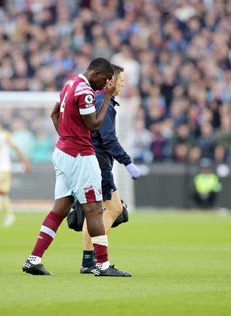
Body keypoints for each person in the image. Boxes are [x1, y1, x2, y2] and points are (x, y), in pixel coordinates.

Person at [22, 57, 130, 277]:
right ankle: (102, 266)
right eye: (105, 82)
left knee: (60, 208)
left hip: (62, 152)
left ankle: (34, 259)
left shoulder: (70, 83)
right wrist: (108, 97)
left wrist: (66, 136)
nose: (105, 87)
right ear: (98, 75)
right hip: (80, 156)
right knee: (94, 209)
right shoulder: (85, 91)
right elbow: (94, 124)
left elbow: (54, 113)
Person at [80, 64, 140, 274]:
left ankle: (88, 261)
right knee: (114, 209)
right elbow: (108, 139)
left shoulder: (96, 99)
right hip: (99, 163)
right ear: (111, 80)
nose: (123, 85)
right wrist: (127, 162)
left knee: (94, 212)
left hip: (91, 161)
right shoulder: (103, 103)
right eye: (121, 81)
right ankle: (99, 260)